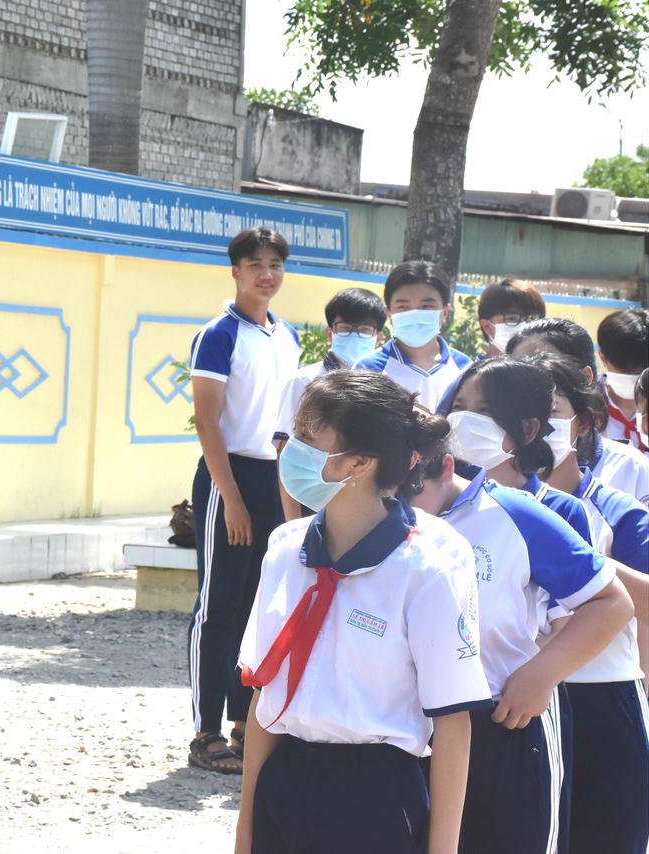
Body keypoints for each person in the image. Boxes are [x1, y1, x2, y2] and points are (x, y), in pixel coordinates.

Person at [233, 370, 490, 854]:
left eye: (308, 439)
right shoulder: (285, 550)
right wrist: (245, 832)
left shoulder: (425, 569)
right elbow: (265, 699)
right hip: (284, 780)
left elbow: (454, 723)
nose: (290, 450)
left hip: (376, 796)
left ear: (358, 463)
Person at [423, 355, 633, 854]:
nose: (464, 419)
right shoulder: (420, 498)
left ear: (528, 427)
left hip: (507, 715)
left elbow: (592, 609)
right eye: (459, 405)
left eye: (484, 409)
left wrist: (538, 676)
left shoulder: (549, 510)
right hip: (426, 718)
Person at [187, 227, 300, 773]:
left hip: (274, 479)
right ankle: (203, 731)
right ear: (235, 270)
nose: (266, 274)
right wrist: (229, 497)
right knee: (219, 606)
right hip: (226, 478)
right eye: (255, 264)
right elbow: (207, 421)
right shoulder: (218, 334)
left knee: (260, 606)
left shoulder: (288, 336)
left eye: (275, 264)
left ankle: (241, 724)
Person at [531, 352, 649, 854]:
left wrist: (575, 558)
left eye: (551, 411)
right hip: (518, 704)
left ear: (580, 423)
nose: (535, 425)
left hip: (601, 700)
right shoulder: (476, 506)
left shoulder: (620, 513)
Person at [507, 318, 649, 505]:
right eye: (520, 370)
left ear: (585, 377)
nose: (531, 380)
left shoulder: (632, 470)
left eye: (547, 365)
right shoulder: (498, 471)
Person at [272, 286, 386, 521]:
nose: (354, 336)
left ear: (379, 337)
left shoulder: (385, 385)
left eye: (364, 330)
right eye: (345, 328)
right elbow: (286, 455)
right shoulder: (303, 382)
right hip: (312, 508)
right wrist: (294, 524)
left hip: (369, 511)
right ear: (329, 332)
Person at [354, 260, 472, 412]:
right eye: (403, 307)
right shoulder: (367, 369)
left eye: (427, 306)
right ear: (389, 314)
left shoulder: (465, 369)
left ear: (444, 313)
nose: (415, 314)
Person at [596, 308, 649, 452]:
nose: (634, 379)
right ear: (602, 358)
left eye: (640, 372)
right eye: (625, 371)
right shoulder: (586, 409)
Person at [476, 278, 546, 357]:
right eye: (512, 319)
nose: (525, 326)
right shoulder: (469, 369)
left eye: (532, 319)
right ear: (487, 327)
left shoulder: (550, 368)